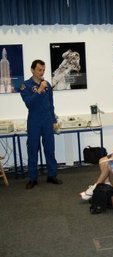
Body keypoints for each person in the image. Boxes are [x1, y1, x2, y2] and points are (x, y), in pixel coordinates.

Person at [19, 59, 62, 189]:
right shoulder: (25, 85)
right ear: (32, 70)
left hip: (47, 120)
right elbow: (29, 103)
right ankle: (33, 178)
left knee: (49, 148)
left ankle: (51, 175)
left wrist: (54, 121)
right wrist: (39, 90)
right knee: (33, 149)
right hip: (34, 121)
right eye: (39, 70)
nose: (41, 72)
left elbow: (51, 104)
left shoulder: (47, 84)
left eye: (43, 70)